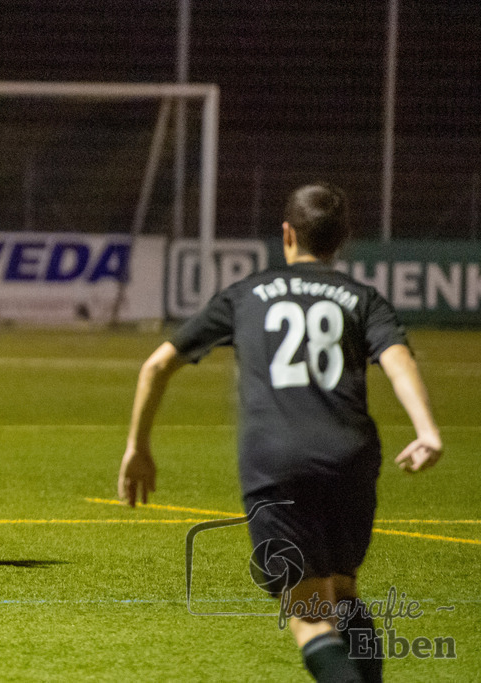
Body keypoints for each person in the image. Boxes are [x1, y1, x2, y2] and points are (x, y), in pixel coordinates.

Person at [117, 183, 442, 682]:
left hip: (276, 461)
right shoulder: (363, 299)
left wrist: (138, 447)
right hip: (351, 456)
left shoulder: (247, 294)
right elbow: (398, 361)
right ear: (343, 240)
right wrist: (426, 430)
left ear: (286, 233)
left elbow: (156, 366)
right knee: (343, 589)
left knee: (310, 617)